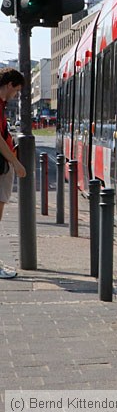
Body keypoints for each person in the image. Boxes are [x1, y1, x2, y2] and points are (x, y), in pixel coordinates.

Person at [0, 69, 26, 277]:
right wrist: (16, 162)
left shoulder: (2, 105)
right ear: (9, 85)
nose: (16, 95)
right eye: (16, 90)